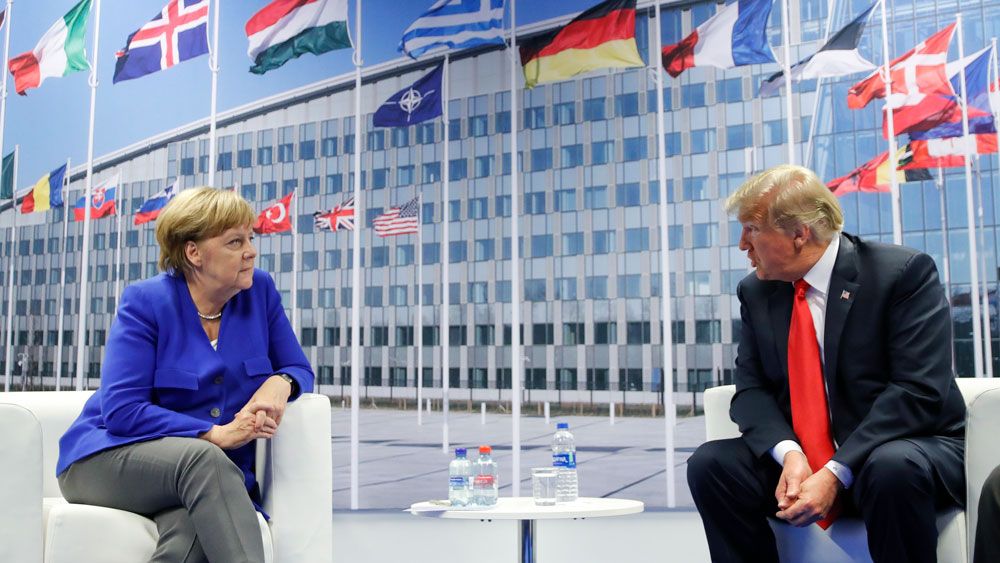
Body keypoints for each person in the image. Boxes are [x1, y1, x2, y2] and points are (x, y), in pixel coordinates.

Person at [687, 164, 965, 563]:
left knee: (892, 467)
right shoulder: (757, 291)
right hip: (807, 459)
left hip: (902, 449)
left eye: (751, 228)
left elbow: (916, 391)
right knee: (711, 464)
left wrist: (836, 471)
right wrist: (791, 456)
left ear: (799, 233)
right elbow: (750, 392)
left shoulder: (900, 273)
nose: (742, 244)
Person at [57, 187, 314, 563]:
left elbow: (297, 367)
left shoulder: (260, 291)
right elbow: (122, 411)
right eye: (234, 241)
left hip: (202, 479)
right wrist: (215, 435)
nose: (251, 250)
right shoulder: (145, 302)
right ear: (194, 253)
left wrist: (280, 383)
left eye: (250, 238)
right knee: (203, 460)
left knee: (188, 539)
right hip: (105, 459)